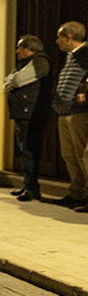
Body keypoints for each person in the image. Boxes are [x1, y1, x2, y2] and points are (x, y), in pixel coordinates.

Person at [4, 35, 52, 202]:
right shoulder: (24, 63)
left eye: (21, 48)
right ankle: (27, 185)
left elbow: (15, 80)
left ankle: (32, 189)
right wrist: (12, 82)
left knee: (29, 151)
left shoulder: (40, 61)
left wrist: (12, 81)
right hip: (22, 113)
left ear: (30, 49)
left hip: (31, 114)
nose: (18, 51)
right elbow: (5, 82)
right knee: (24, 150)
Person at [51, 21, 88, 210]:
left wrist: (82, 91)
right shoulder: (70, 56)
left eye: (60, 37)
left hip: (78, 113)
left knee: (83, 156)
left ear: (69, 38)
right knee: (69, 156)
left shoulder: (85, 54)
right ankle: (76, 193)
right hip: (64, 111)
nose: (57, 41)